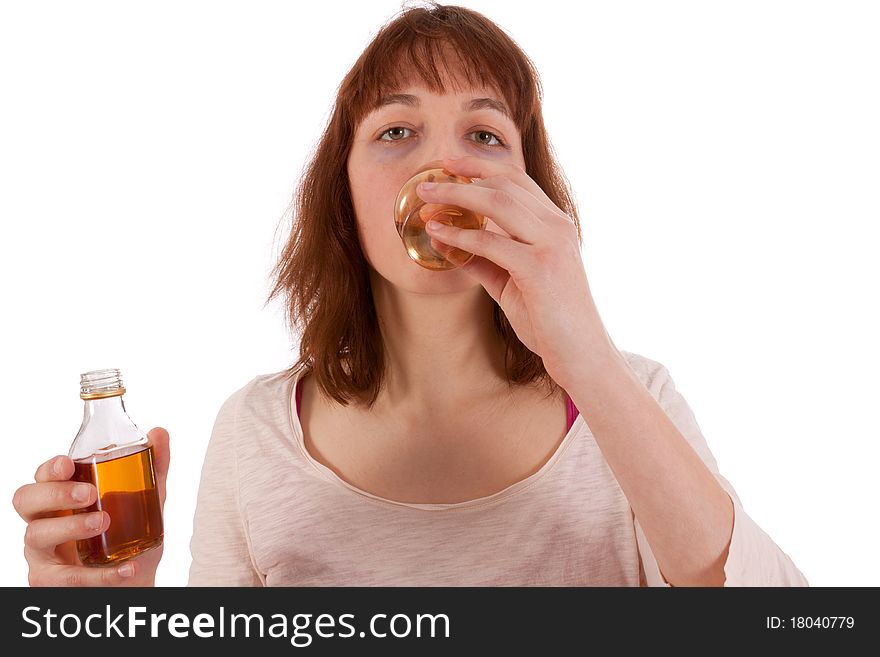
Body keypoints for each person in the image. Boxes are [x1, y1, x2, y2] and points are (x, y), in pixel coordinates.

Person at [12, 2, 808, 587]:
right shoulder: (252, 433)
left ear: (531, 190)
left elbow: (780, 621)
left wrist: (586, 354)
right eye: (396, 131)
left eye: (486, 135)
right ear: (345, 193)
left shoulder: (632, 399)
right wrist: (105, 617)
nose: (443, 171)